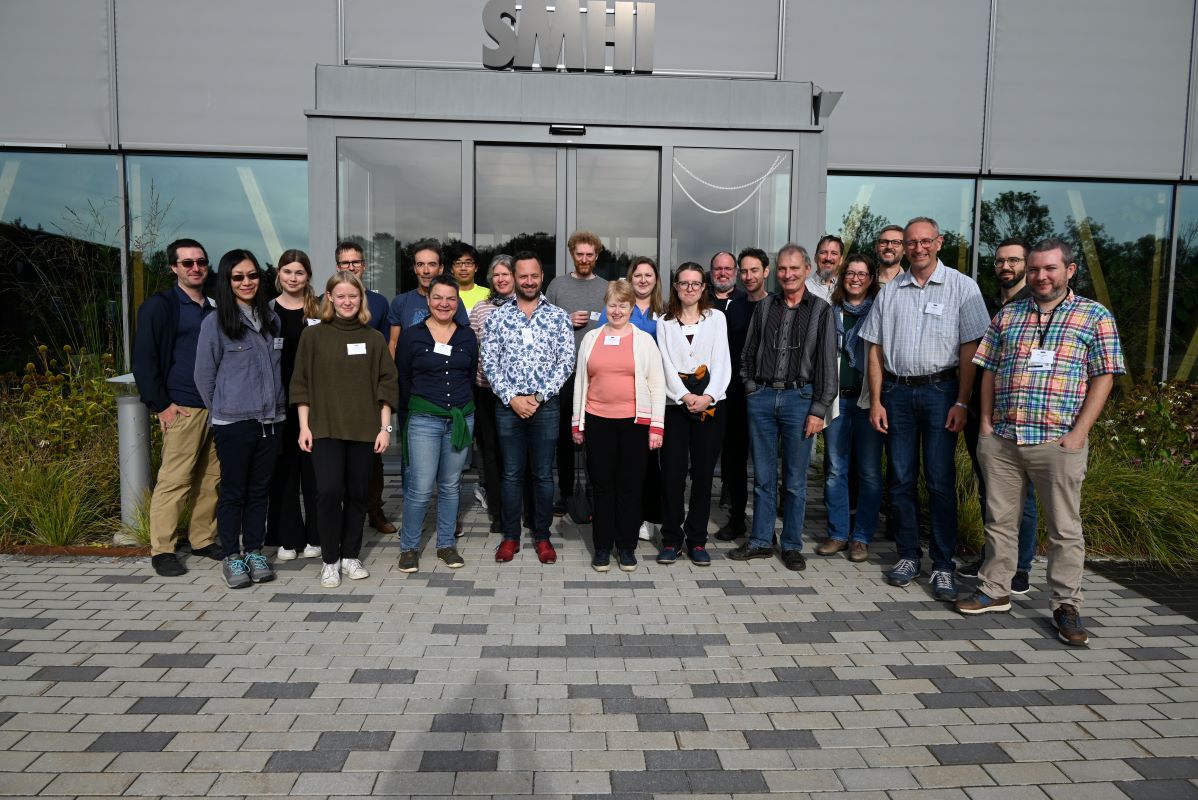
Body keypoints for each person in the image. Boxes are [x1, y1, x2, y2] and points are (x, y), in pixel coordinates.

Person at [957, 238, 1124, 648]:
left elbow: (1105, 376)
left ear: (1070, 270)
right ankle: (995, 589)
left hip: (1058, 441)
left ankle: (1066, 605)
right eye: (1034, 269)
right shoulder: (1009, 315)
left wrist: (1079, 433)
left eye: (1049, 268)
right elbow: (989, 370)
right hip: (1005, 440)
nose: (1040, 276)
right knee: (1000, 520)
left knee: (1065, 530)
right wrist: (985, 425)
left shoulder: (1093, 316)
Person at [860, 216, 990, 601]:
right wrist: (877, 400)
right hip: (898, 394)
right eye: (910, 242)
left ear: (939, 242)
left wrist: (963, 401)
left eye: (924, 241)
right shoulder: (890, 291)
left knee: (939, 481)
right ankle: (907, 555)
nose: (917, 248)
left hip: (941, 393)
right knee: (900, 479)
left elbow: (971, 350)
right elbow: (874, 348)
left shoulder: (962, 288)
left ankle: (944, 564)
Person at [730, 244, 837, 571]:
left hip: (799, 400)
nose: (787, 275)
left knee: (794, 481)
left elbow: (827, 367)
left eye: (794, 268)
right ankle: (762, 540)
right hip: (761, 398)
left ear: (807, 270)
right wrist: (750, 388)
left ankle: (791, 544)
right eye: (782, 269)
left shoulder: (821, 310)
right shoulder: (764, 307)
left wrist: (819, 409)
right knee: (762, 477)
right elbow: (747, 354)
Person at [291, 270, 399, 588]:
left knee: (357, 494)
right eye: (341, 296)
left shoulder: (373, 338)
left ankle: (351, 555)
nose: (347, 301)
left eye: (353, 295)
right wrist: (303, 427)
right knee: (328, 492)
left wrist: (385, 429)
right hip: (323, 428)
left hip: (365, 430)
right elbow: (301, 384)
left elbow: (387, 385)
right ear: (330, 298)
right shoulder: (313, 336)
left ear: (360, 299)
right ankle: (329, 560)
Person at [193, 249, 286, 588]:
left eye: (251, 275)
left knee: (260, 490)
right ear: (227, 282)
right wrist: (225, 407)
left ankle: (255, 551)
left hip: (271, 420)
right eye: (238, 277)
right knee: (233, 491)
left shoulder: (270, 319)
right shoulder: (215, 323)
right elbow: (204, 377)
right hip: (234, 423)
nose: (246, 282)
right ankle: (232, 556)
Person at [132, 238, 222, 577]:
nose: (196, 268)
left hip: (216, 407)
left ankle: (202, 538)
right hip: (182, 406)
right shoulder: (161, 306)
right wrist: (161, 405)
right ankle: (163, 549)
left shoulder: (213, 308)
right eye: (187, 263)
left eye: (200, 262)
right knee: (176, 480)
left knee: (211, 478)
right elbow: (144, 359)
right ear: (174, 268)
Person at [482, 252, 575, 564]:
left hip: (545, 406)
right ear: (515, 277)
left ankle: (543, 536)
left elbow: (566, 361)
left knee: (543, 476)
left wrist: (539, 396)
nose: (529, 281)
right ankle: (510, 537)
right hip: (508, 406)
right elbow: (489, 364)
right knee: (510, 474)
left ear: (541, 276)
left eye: (534, 275)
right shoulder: (496, 318)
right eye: (523, 276)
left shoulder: (558, 317)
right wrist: (512, 397)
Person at [959, 237, 1040, 593]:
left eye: (1013, 261)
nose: (1005, 267)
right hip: (981, 412)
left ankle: (1020, 567)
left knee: (1024, 495)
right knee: (989, 490)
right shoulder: (987, 305)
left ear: (1026, 264)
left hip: (1020, 415)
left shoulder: (1036, 306)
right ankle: (993, 557)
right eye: (1000, 261)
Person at [571, 279, 666, 572]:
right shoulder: (591, 339)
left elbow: (656, 384)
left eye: (623, 305)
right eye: (612, 305)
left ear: (630, 307)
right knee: (601, 486)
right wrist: (578, 422)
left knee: (629, 486)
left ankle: (626, 547)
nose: (617, 311)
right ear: (606, 305)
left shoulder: (643, 340)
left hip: (635, 423)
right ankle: (602, 547)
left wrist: (657, 427)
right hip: (598, 421)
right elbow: (580, 383)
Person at [396, 275, 479, 572]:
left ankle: (446, 545)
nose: (444, 303)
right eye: (439, 298)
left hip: (460, 418)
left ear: (457, 303)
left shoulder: (467, 335)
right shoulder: (411, 335)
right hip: (424, 420)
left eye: (450, 298)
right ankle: (409, 548)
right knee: (419, 487)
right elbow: (403, 377)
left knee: (450, 485)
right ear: (429, 301)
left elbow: (469, 374)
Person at [655, 264, 730, 566]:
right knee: (672, 476)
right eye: (683, 283)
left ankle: (697, 539)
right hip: (676, 406)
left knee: (702, 475)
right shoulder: (664, 322)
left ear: (703, 288)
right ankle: (672, 538)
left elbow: (722, 361)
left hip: (710, 406)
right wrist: (685, 396)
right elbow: (665, 364)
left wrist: (707, 396)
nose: (689, 288)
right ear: (675, 287)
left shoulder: (716, 319)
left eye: (695, 283)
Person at [815, 253, 884, 563]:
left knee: (868, 473)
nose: (855, 278)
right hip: (837, 401)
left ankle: (861, 537)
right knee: (835, 471)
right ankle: (838, 534)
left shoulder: (880, 314)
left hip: (868, 401)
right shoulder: (830, 314)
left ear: (871, 279)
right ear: (842, 279)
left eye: (862, 274)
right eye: (850, 274)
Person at [598, 256, 665, 541]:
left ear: (655, 279)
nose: (642, 280)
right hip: (622, 402)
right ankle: (624, 516)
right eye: (637, 275)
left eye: (648, 275)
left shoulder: (665, 312)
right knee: (623, 468)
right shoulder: (617, 308)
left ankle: (648, 517)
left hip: (655, 396)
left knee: (650, 465)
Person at [545, 231, 609, 514]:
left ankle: (595, 490)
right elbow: (541, 325)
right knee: (565, 435)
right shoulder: (557, 286)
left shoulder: (607, 288)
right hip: (564, 372)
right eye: (579, 254)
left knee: (596, 435)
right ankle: (567, 492)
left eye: (589, 254)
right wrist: (564, 321)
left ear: (597, 256)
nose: (584, 259)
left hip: (598, 372)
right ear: (572, 254)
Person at [335, 240, 395, 534]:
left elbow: (385, 348)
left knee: (373, 460)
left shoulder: (380, 302)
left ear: (364, 266)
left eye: (355, 262)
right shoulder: (329, 299)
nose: (351, 267)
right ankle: (341, 515)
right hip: (336, 394)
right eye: (345, 263)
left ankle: (375, 510)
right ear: (338, 267)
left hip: (369, 393)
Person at [266, 249, 322, 561]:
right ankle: (289, 538)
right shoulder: (267, 311)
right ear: (279, 274)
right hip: (277, 403)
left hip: (313, 403)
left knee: (313, 472)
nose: (293, 278)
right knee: (284, 472)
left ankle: (316, 536)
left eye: (299, 273)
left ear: (307, 276)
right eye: (288, 272)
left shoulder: (319, 310)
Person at [710, 249, 758, 543]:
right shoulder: (700, 299)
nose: (724, 272)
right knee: (703, 457)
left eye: (729, 268)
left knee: (736, 459)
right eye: (718, 268)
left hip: (739, 393)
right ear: (711, 271)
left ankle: (737, 518)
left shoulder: (748, 303)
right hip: (704, 391)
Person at [469, 254, 516, 534]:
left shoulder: (528, 305)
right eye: (496, 274)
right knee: (491, 453)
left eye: (506, 274)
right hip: (485, 391)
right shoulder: (480, 308)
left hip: (516, 394)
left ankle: (520, 508)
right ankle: (498, 511)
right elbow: (473, 348)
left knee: (515, 454)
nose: (500, 279)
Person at [387, 239, 469, 355]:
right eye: (420, 265)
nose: (426, 271)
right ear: (415, 268)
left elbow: (464, 340)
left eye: (432, 264)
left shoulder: (453, 302)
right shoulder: (400, 302)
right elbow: (393, 344)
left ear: (440, 269)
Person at [447, 241, 490, 313]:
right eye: (458, 263)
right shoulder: (445, 294)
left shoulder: (488, 295)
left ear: (476, 267)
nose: (463, 268)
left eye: (468, 263)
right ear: (451, 269)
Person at [808, 234, 843, 302]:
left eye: (834, 253)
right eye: (823, 252)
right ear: (815, 257)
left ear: (841, 260)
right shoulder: (804, 289)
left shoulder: (846, 289)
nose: (828, 258)